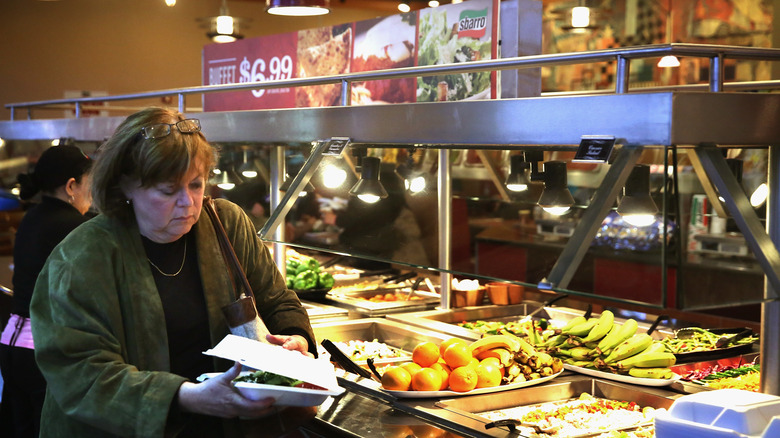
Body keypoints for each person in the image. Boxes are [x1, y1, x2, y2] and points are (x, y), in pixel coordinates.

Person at [29, 107, 317, 438]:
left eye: (196, 184)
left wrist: (296, 338)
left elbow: (276, 299)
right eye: (168, 190)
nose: (188, 203)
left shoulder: (228, 224)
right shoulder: (81, 257)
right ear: (126, 185)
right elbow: (82, 373)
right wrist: (187, 397)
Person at [0, 144, 93, 438]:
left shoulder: (33, 216)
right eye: (90, 183)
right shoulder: (73, 226)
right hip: (42, 351)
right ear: (71, 186)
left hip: (11, 344)